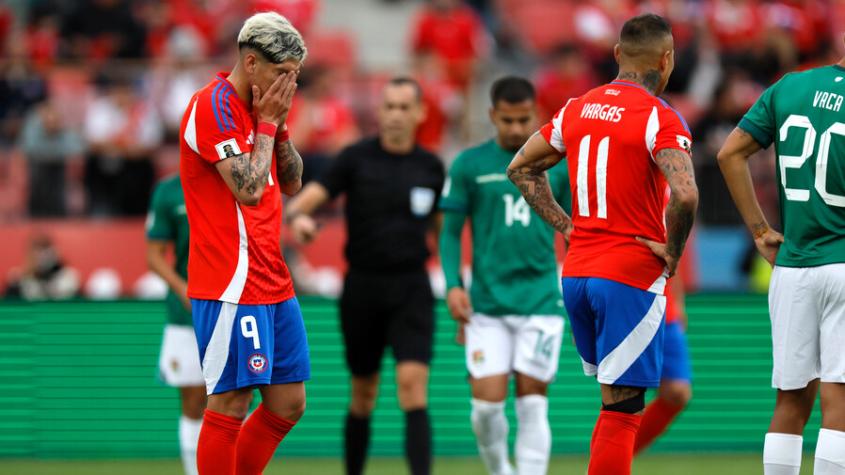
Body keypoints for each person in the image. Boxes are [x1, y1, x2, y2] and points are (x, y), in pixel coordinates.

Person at [507, 14, 698, 475]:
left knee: (614, 405)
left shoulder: (578, 107)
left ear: (617, 54)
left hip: (577, 272)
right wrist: (672, 253)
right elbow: (686, 192)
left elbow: (520, 168)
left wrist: (565, 225)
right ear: (666, 60)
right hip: (628, 275)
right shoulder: (660, 116)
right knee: (624, 412)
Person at [285, 77, 444, 475]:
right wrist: (302, 221)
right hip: (363, 288)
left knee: (413, 387)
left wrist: (456, 280)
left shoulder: (431, 167)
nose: (395, 115)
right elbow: (300, 207)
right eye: (389, 106)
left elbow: (445, 232)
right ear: (380, 111)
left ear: (420, 113)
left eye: (404, 107)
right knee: (363, 393)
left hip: (412, 286)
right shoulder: (355, 158)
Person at [178, 12, 309, 475]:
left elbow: (291, 183)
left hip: (272, 276)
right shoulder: (211, 106)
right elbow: (249, 190)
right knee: (230, 402)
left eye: (295, 76)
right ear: (251, 62)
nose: (288, 85)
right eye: (282, 74)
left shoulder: (265, 110)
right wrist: (269, 124)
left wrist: (280, 123)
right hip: (230, 280)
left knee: (289, 403)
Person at [716, 46, 845, 475]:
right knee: (839, 401)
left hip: (793, 269)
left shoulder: (791, 86)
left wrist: (759, 230)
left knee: (791, 402)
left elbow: (729, 154)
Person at [439, 76, 569, 475]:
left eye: (523, 119)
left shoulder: (557, 164)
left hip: (541, 300)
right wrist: (453, 286)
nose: (515, 128)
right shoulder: (469, 164)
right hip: (488, 304)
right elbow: (448, 231)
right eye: (508, 120)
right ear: (493, 115)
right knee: (486, 408)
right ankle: (500, 470)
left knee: (533, 401)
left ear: (536, 115)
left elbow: (574, 229)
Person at [145, 174, 205, 475]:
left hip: (235, 306)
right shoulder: (169, 191)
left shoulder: (234, 177)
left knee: (237, 398)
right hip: (187, 314)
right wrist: (182, 289)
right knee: (194, 400)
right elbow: (154, 255)